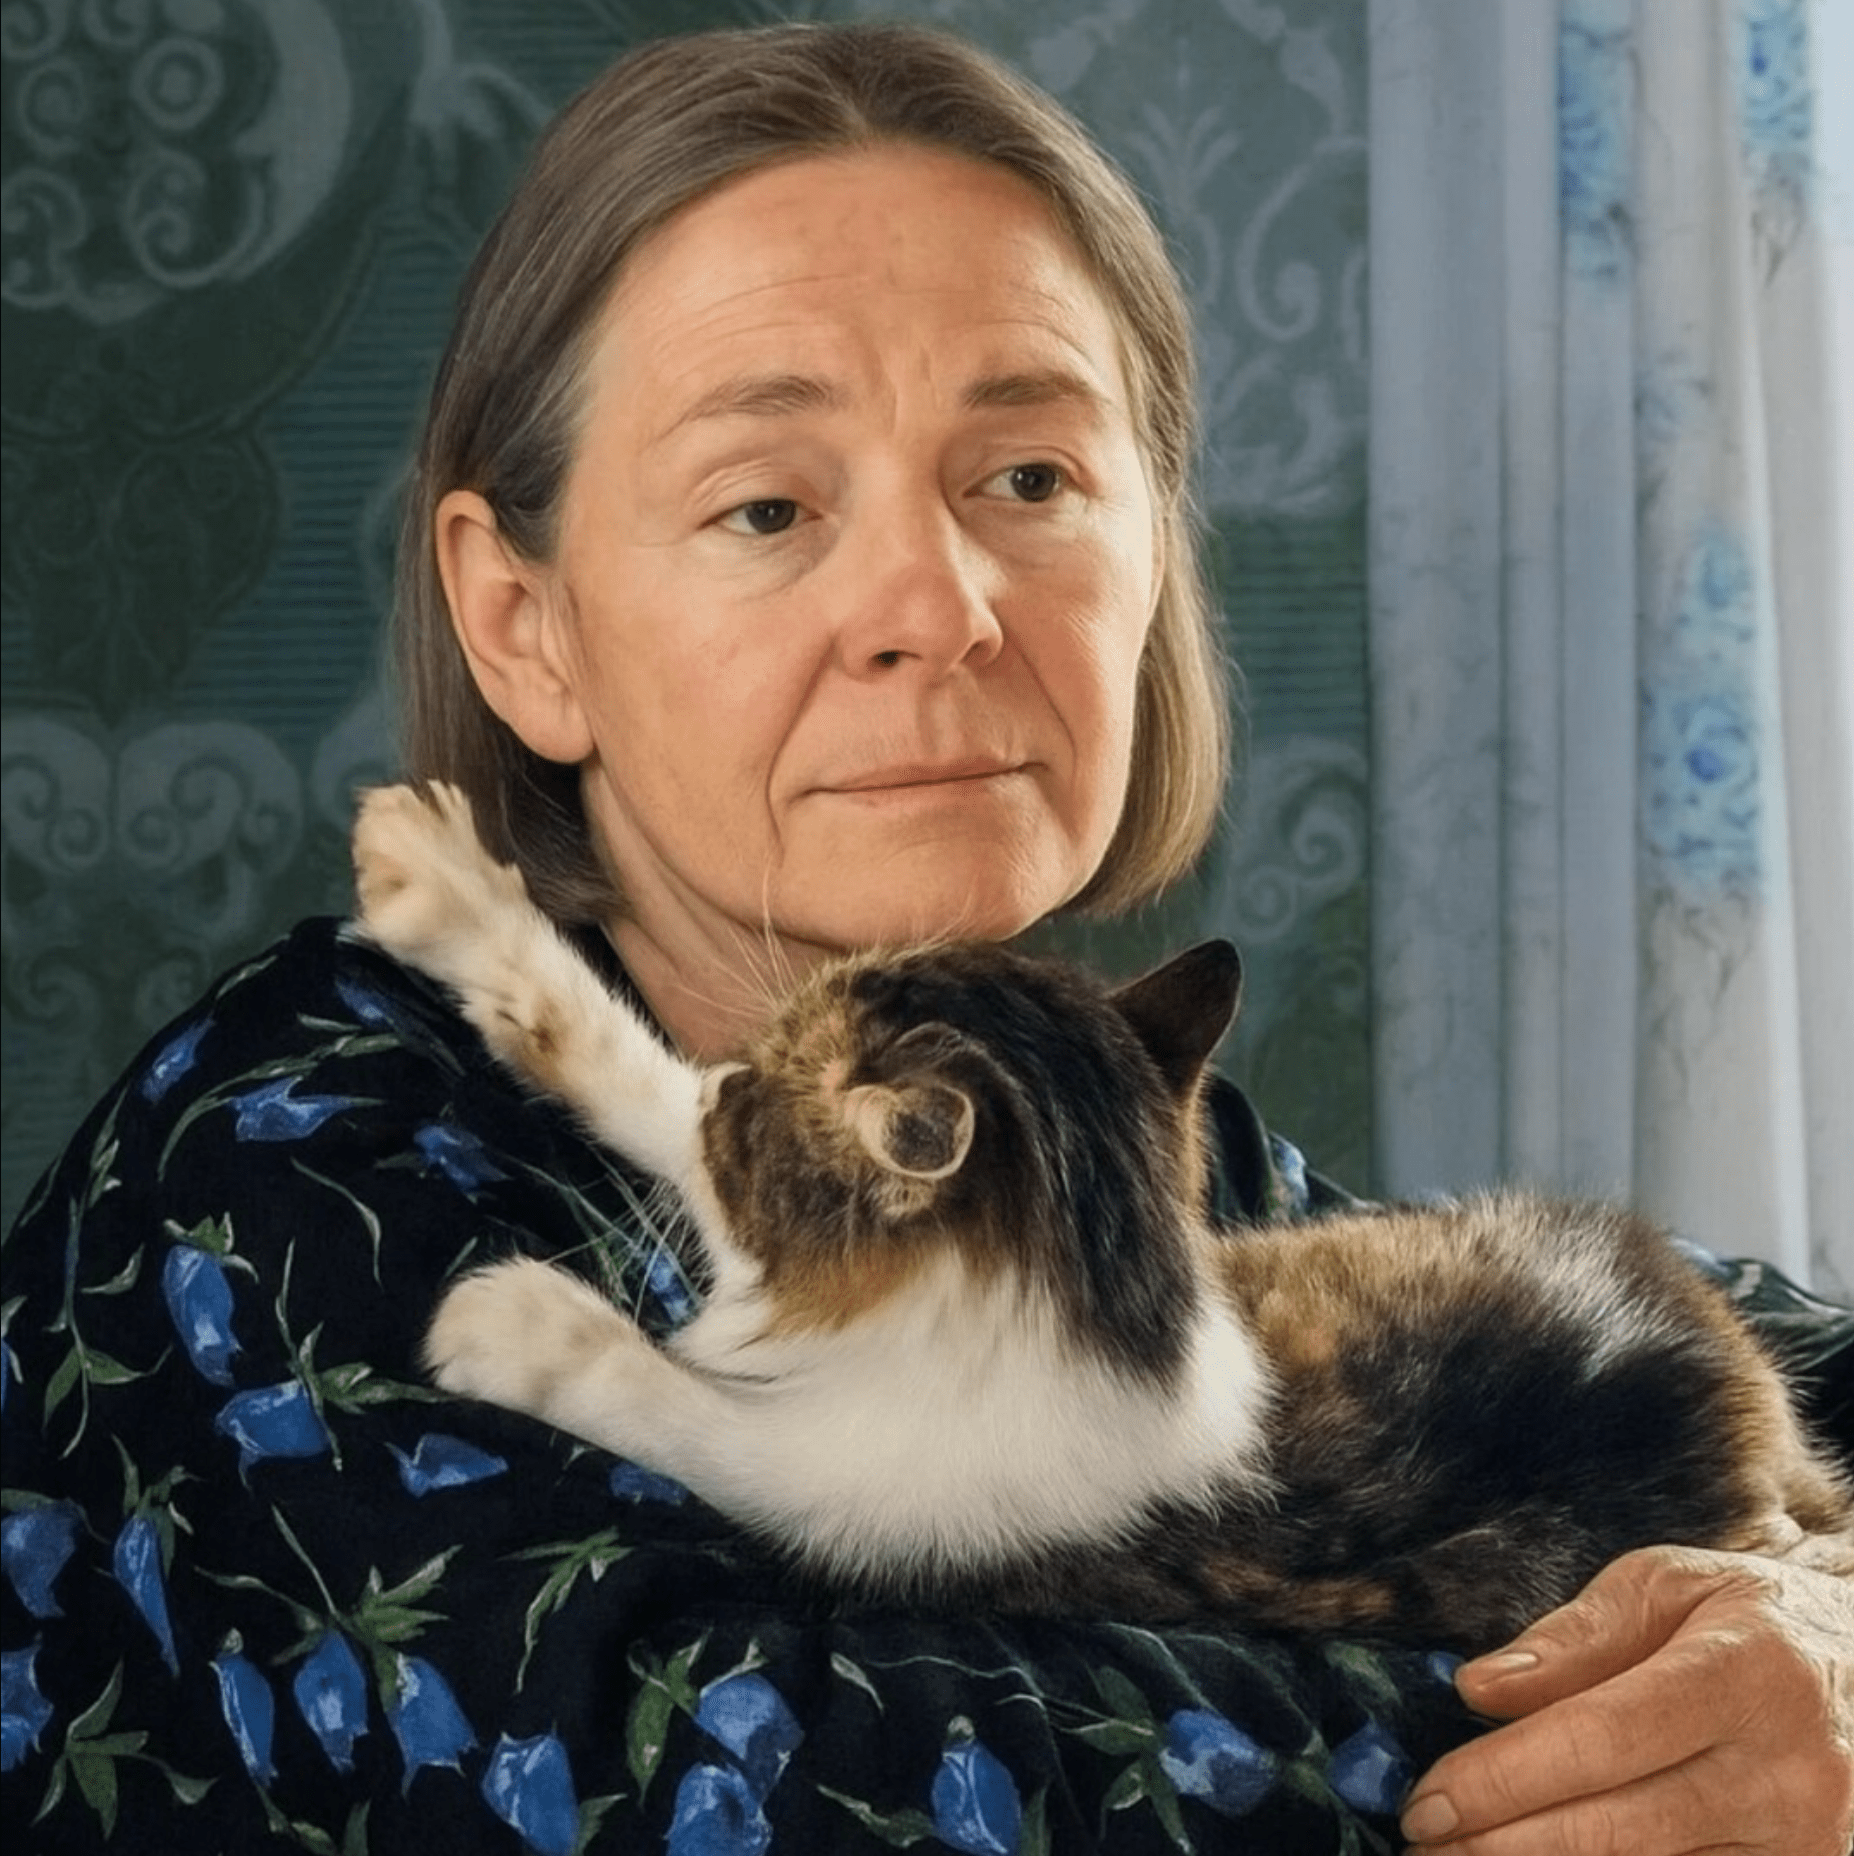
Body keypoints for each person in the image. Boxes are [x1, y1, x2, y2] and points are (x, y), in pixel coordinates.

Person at [3, 21, 1849, 1855]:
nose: (938, 607)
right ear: (520, 624)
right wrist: (1717, 1695)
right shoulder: (281, 1184)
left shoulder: (1121, 1143)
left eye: (1028, 479)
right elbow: (796, 1796)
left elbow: (1687, 1352)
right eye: (768, 505)